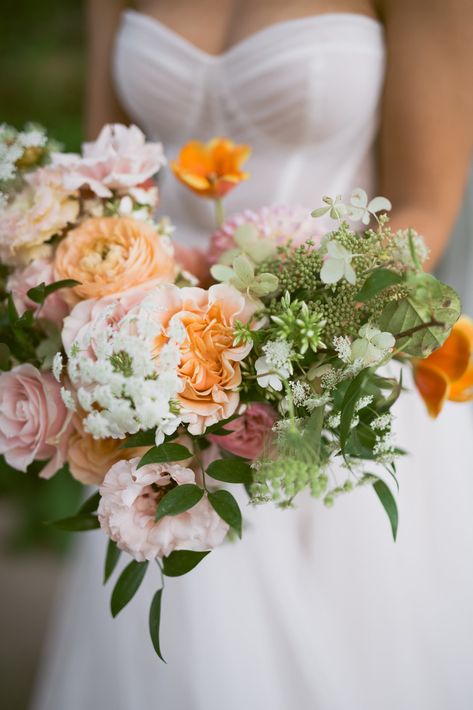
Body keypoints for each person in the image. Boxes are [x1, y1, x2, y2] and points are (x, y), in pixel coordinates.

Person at [32, 2, 473, 709]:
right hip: (153, 376)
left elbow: (424, 208)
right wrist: (112, 300)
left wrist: (281, 321)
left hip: (330, 378)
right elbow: (105, 180)